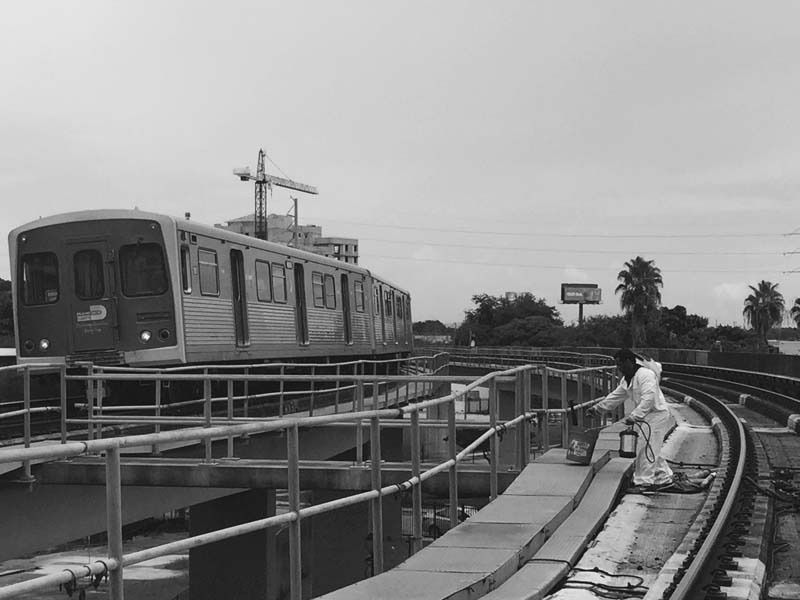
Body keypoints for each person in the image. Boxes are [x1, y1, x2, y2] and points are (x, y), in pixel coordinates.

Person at [589, 348, 674, 492]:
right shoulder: (626, 380)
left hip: (656, 415)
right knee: (652, 447)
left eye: (620, 364)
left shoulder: (645, 375)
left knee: (645, 447)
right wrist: (598, 408)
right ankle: (664, 476)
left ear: (629, 361)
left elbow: (649, 398)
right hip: (646, 417)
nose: (619, 368)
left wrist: (635, 416)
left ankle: (644, 482)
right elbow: (616, 396)